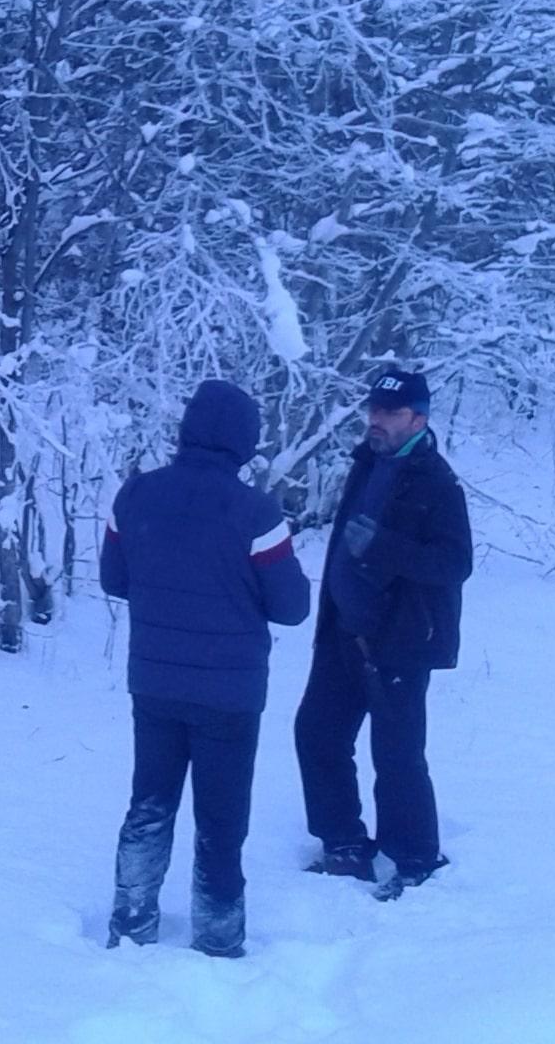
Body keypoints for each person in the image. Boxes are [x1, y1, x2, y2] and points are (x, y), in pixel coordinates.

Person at [99, 379, 311, 958]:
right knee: (220, 819)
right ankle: (217, 937)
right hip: (230, 694)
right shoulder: (256, 512)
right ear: (244, 441)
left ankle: (132, 919)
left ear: (187, 428)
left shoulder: (135, 495)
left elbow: (114, 579)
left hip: (154, 683)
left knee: (149, 803)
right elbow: (292, 608)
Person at [293, 367, 474, 901]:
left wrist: (384, 547)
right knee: (317, 733)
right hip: (342, 632)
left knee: (396, 754)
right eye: (374, 409)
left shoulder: (437, 481)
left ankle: (416, 859)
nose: (377, 420)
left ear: (418, 419)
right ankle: (344, 844)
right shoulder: (366, 462)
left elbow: (455, 563)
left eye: (390, 412)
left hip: (400, 641)